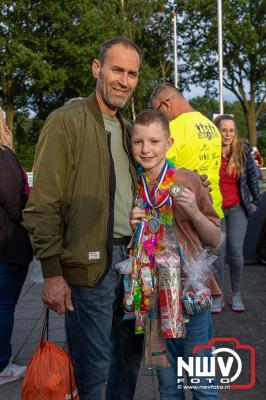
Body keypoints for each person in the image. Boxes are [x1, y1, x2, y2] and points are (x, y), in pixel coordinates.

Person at [23, 37, 142, 400]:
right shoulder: (66, 122)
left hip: (133, 266)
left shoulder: (127, 130)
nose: (124, 80)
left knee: (129, 361)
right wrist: (53, 274)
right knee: (92, 372)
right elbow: (42, 204)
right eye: (117, 70)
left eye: (132, 74)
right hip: (89, 271)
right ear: (97, 68)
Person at [130, 109, 221, 400]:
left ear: (169, 143)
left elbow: (216, 238)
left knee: (203, 386)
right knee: (168, 388)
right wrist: (134, 228)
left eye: (154, 142)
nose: (146, 150)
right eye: (139, 142)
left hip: (190, 297)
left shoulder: (188, 180)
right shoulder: (133, 186)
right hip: (153, 299)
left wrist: (193, 210)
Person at [149, 83, 223, 219]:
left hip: (186, 216)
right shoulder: (210, 125)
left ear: (166, 104)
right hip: (215, 210)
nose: (157, 116)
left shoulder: (173, 128)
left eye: (156, 110)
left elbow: (156, 173)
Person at [211, 115, 260, 312]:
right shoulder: (210, 152)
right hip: (216, 210)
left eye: (231, 130)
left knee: (235, 251)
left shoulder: (243, 151)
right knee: (217, 252)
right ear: (217, 131)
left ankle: (236, 293)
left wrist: (255, 200)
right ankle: (218, 295)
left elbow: (251, 178)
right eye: (224, 130)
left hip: (237, 208)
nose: (228, 134)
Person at [0, 107, 33, 386]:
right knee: (4, 306)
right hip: (7, 247)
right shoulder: (4, 157)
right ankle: (2, 364)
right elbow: (15, 202)